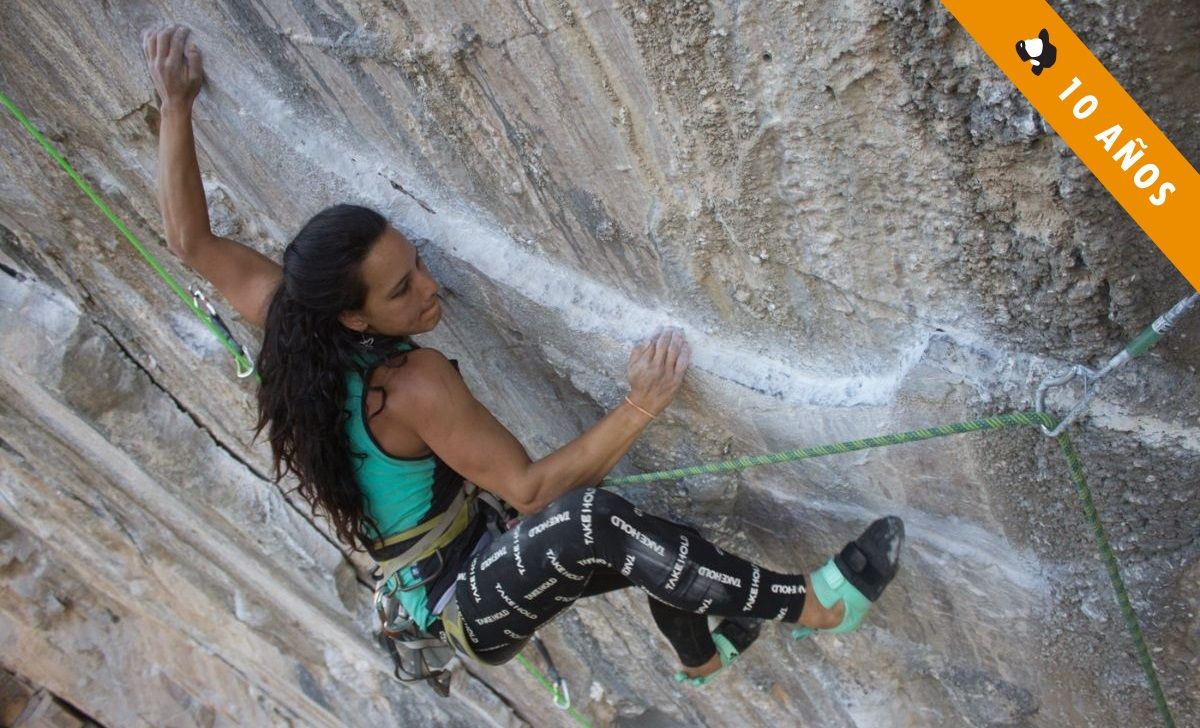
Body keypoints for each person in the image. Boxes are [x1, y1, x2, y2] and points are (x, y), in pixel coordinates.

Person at [142, 24, 904, 689]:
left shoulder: (296, 321)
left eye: (418, 264)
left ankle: (700, 660)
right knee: (594, 521)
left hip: (468, 554)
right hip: (463, 603)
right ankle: (819, 605)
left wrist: (176, 106)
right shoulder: (407, 385)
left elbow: (191, 242)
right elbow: (535, 492)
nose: (431, 292)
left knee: (664, 540)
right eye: (404, 290)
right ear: (353, 315)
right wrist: (640, 405)